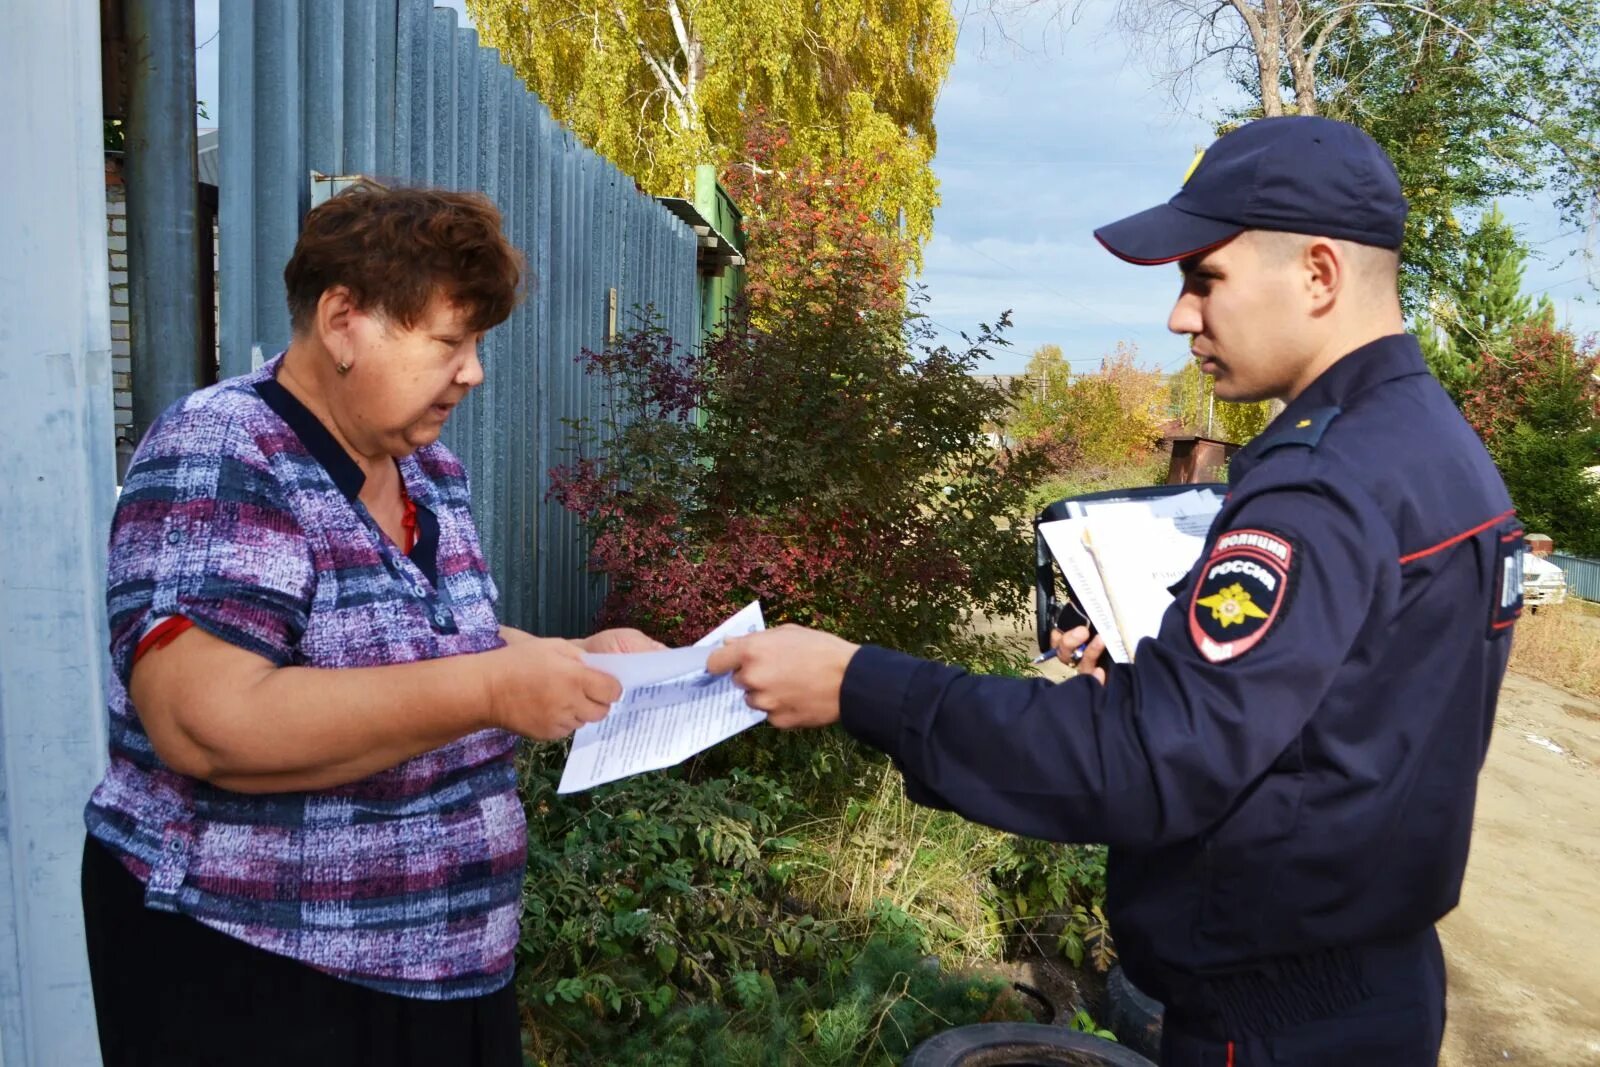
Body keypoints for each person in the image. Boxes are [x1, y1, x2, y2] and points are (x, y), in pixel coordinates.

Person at [707, 116, 1520, 1065]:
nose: (1180, 316)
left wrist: (860, 684)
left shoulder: (1320, 485)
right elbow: (1338, 718)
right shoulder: (1438, 450)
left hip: (1274, 1024)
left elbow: (1150, 764)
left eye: (1203, 278)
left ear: (1319, 274)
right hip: (1374, 989)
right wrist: (1155, 665)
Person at [81, 182, 660, 1066]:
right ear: (343, 319)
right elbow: (206, 720)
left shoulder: (427, 474)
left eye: (475, 344)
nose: (472, 371)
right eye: (448, 342)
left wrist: (570, 656)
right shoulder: (225, 449)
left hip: (450, 974)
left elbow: (421, 648)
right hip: (261, 975)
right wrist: (494, 688)